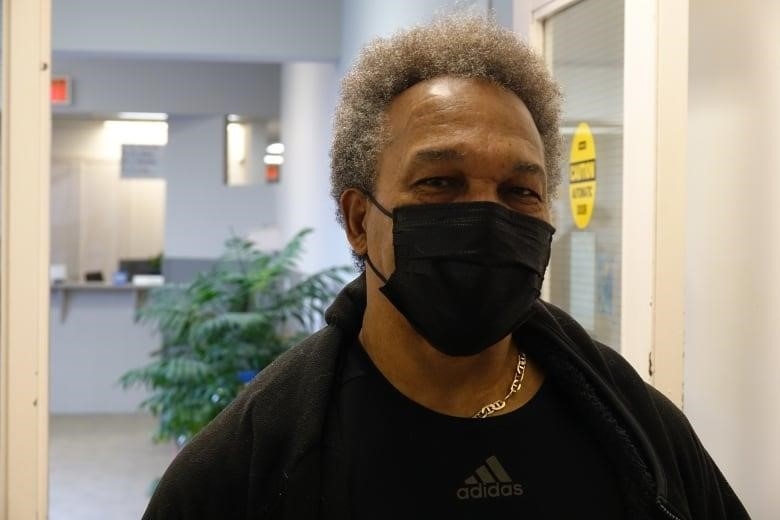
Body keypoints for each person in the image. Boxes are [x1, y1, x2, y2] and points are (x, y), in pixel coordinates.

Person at [143, 15, 749, 520]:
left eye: (520, 191)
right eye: (440, 182)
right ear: (358, 219)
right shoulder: (249, 464)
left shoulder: (634, 426)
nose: (486, 217)